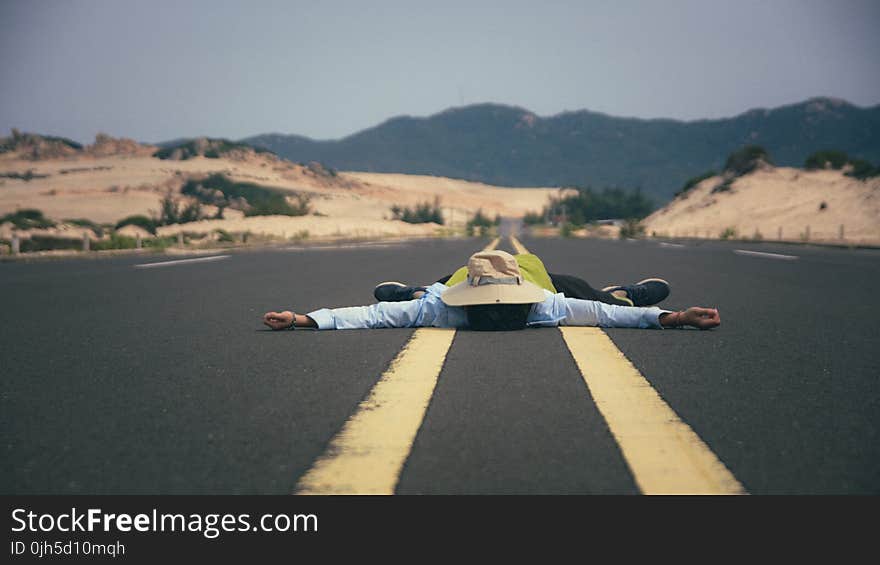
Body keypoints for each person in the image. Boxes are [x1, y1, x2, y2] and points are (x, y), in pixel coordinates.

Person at [262, 250, 721, 331]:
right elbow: (372, 315)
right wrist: (305, 319)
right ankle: (411, 290)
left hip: (536, 273)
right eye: (490, 310)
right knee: (424, 293)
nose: (501, 315)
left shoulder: (541, 301)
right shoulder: (445, 305)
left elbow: (605, 317)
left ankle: (624, 290)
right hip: (456, 279)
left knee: (594, 297)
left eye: (508, 311)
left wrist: (674, 317)